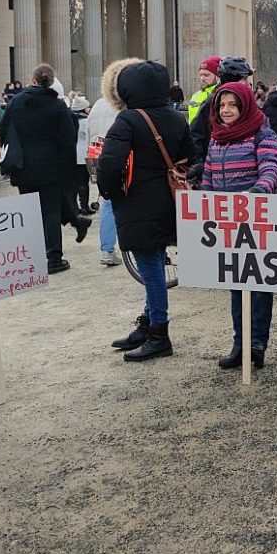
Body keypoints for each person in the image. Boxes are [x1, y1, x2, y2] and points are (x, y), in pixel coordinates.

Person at [98, 61, 192, 362]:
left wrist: (109, 191)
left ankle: (159, 334)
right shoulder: (178, 118)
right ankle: (149, 322)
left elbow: (110, 163)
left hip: (138, 200)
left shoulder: (127, 120)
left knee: (151, 269)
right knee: (154, 264)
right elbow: (191, 155)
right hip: (170, 199)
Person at [201, 83, 277, 370]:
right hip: (227, 223)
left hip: (257, 217)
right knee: (235, 284)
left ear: (245, 106)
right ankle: (239, 343)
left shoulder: (263, 134)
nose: (226, 110)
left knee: (259, 285)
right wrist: (204, 206)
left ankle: (257, 344)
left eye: (232, 105)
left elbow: (272, 167)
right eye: (222, 105)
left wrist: (260, 190)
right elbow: (209, 178)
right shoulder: (215, 139)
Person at [0, 64, 89, 274]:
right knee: (50, 212)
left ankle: (34, 255)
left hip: (23, 166)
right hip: (51, 166)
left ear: (33, 80)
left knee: (30, 212)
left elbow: (3, 130)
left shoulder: (16, 102)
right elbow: (69, 139)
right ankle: (54, 258)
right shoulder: (57, 106)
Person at [86, 58, 137, 267]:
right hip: (122, 153)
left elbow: (89, 132)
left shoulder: (97, 104)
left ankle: (107, 249)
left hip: (97, 152)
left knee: (107, 201)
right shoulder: (127, 105)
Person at [187, 56, 221, 124]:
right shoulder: (195, 96)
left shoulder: (222, 95)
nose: (202, 78)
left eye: (206, 75)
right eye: (201, 75)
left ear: (217, 76)